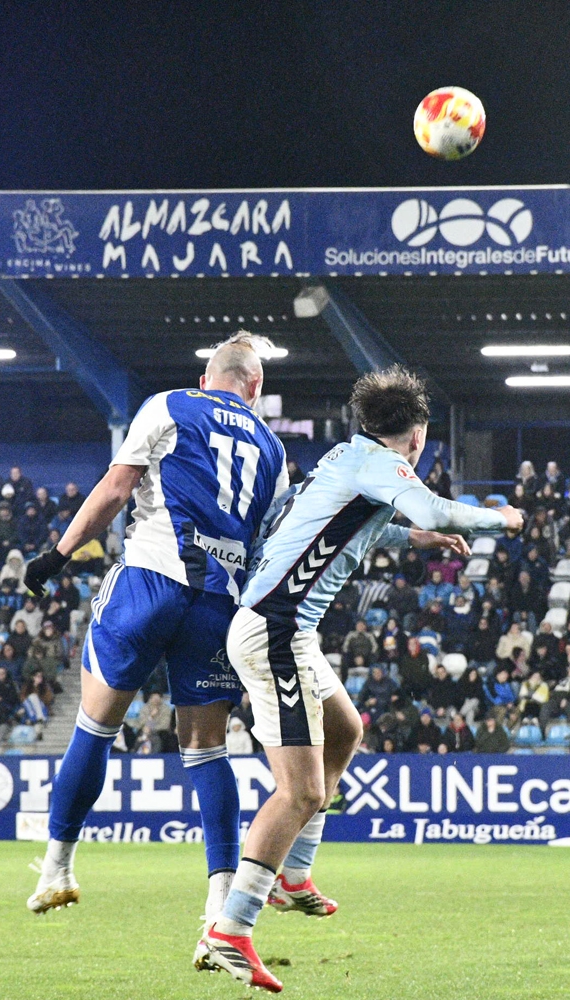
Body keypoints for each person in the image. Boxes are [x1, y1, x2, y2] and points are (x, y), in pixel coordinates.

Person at [203, 365, 519, 990]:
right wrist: (499, 520)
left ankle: (293, 878)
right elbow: (426, 502)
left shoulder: (348, 458)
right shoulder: (383, 466)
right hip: (275, 629)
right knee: (302, 793)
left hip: (286, 628)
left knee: (346, 730)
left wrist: (419, 537)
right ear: (419, 432)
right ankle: (231, 930)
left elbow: (352, 527)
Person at [21, 332, 289, 954]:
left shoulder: (170, 405)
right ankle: (220, 915)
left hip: (151, 578)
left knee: (95, 724)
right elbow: (272, 547)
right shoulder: (273, 449)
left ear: (206, 377)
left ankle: (58, 868)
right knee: (206, 750)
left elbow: (116, 490)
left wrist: (56, 557)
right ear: (256, 387)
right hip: (220, 603)